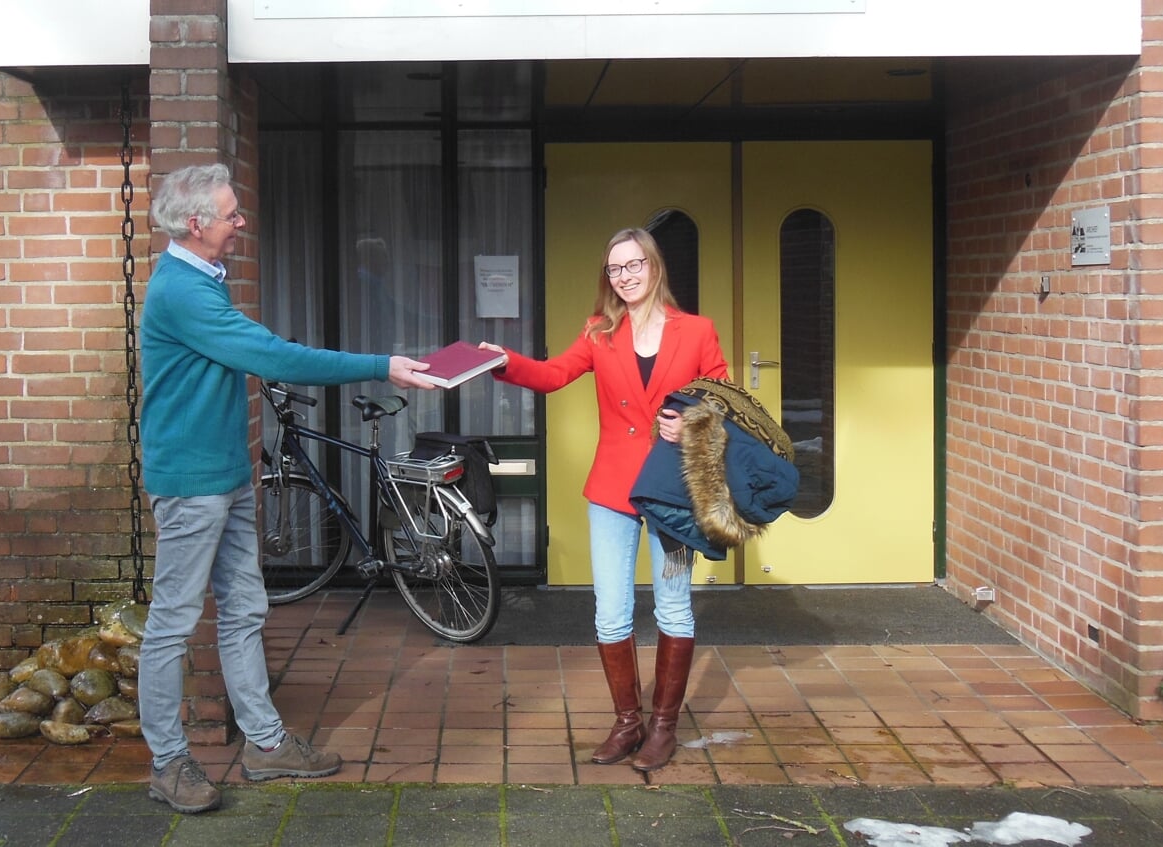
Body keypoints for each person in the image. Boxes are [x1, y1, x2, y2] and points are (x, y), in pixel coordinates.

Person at [137, 163, 434, 814]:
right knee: (172, 624)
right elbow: (271, 354)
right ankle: (166, 763)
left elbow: (254, 353)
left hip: (226, 476)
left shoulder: (203, 283)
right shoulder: (183, 292)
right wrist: (381, 366)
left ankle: (266, 746)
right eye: (231, 214)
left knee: (243, 607)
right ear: (196, 224)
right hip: (190, 485)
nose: (241, 223)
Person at [480, 227, 728, 772]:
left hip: (675, 494)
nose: (625, 276)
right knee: (610, 613)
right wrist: (503, 360)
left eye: (634, 265)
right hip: (613, 490)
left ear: (654, 266)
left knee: (674, 606)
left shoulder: (697, 331)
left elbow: (723, 398)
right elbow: (552, 375)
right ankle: (627, 722)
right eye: (615, 269)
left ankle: (663, 727)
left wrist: (691, 422)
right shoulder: (599, 331)